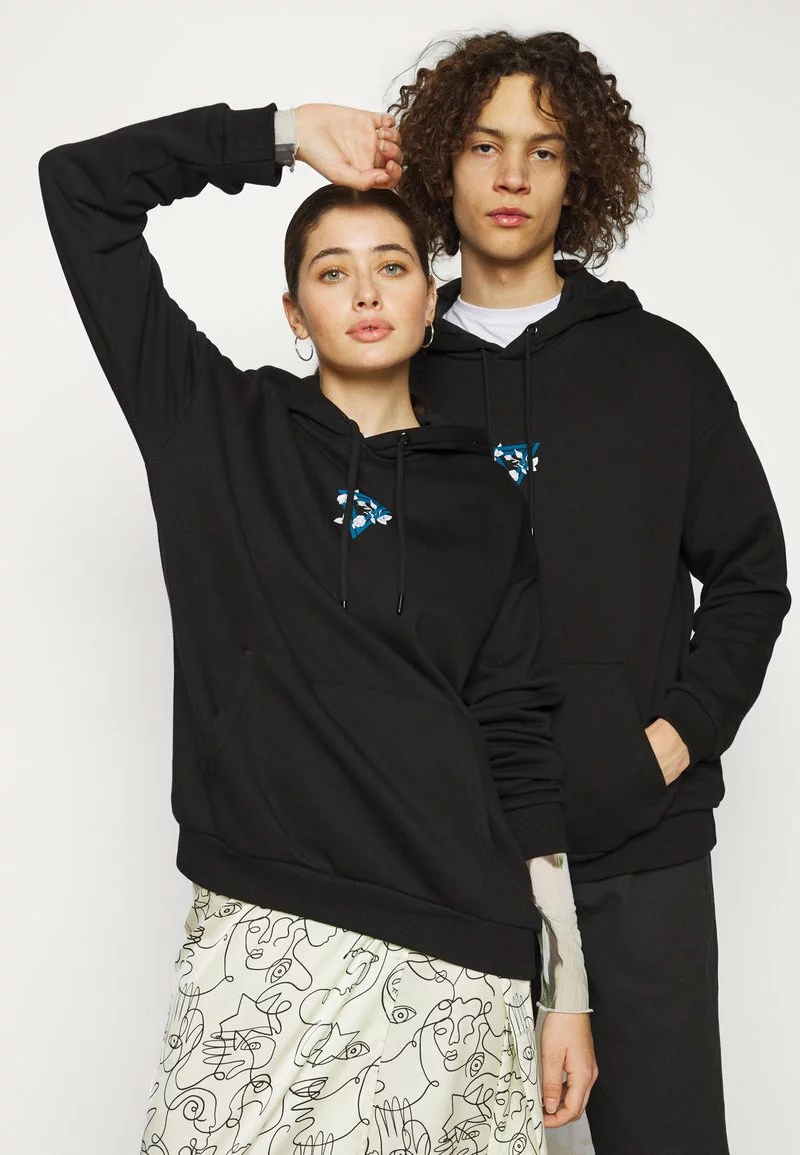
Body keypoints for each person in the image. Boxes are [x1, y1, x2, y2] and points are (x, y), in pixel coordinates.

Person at [39, 99, 597, 1154]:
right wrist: (283, 134)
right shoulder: (212, 427)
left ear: (428, 300)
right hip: (262, 927)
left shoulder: (485, 500)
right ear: (294, 313)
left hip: (455, 953)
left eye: (391, 265)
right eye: (332, 272)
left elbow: (518, 743)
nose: (366, 292)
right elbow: (80, 189)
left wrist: (565, 986)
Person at [345, 28, 789, 1155]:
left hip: (638, 849)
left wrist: (667, 745)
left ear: (578, 173)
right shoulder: (387, 366)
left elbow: (751, 572)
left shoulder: (662, 367)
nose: (510, 175)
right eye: (483, 145)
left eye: (541, 151)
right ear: (441, 164)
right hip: (437, 862)